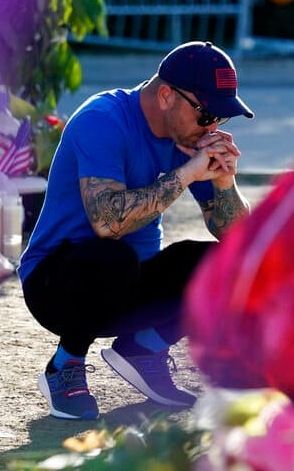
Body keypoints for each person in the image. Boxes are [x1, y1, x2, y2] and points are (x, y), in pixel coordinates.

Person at [19, 41, 254, 420]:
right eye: (206, 113)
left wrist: (225, 182)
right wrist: (189, 172)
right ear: (165, 96)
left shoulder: (190, 137)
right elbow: (107, 222)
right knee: (114, 254)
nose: (211, 127)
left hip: (126, 287)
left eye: (221, 118)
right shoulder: (103, 119)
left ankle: (144, 349)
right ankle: (66, 364)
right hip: (56, 286)